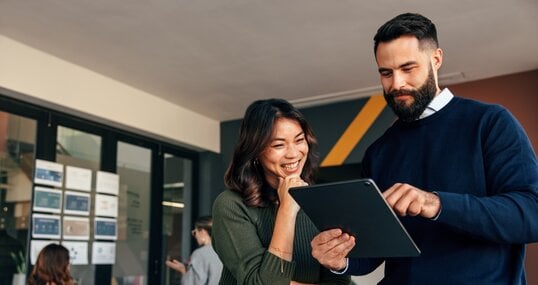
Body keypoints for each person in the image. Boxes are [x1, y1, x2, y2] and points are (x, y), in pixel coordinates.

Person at [310, 12, 538, 284]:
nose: (396, 84)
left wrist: (437, 203)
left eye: (408, 69)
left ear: (436, 59)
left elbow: (532, 214)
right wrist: (340, 259)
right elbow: (373, 252)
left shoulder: (489, 122)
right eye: (386, 73)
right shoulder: (379, 152)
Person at [212, 98, 351, 284]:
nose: (293, 153)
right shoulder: (231, 205)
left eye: (299, 140)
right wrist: (287, 208)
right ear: (255, 151)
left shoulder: (321, 202)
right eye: (279, 145)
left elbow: (340, 282)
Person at [165, 215, 223, 285]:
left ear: (202, 232)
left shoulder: (200, 254)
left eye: (195, 232)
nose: (195, 236)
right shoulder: (225, 252)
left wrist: (183, 270)